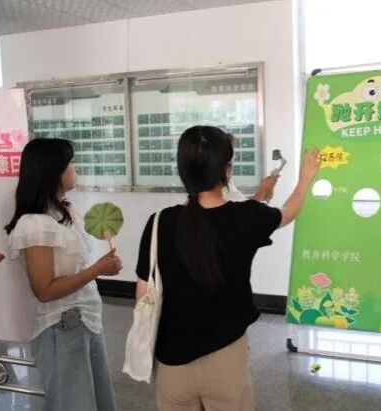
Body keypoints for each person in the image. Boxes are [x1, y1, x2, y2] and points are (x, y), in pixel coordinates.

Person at [134, 125, 320, 411]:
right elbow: (287, 212)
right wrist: (306, 178)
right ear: (226, 171)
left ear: (183, 170)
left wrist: (259, 196)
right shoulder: (246, 217)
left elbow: (142, 293)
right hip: (226, 359)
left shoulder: (160, 221)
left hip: (172, 360)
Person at [5, 138, 122, 411]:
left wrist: (98, 266)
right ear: (53, 171)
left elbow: (75, 269)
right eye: (70, 163)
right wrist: (97, 270)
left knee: (97, 400)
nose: (74, 168)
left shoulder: (64, 211)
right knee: (73, 404)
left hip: (86, 320)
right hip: (61, 326)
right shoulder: (34, 225)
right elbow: (44, 290)